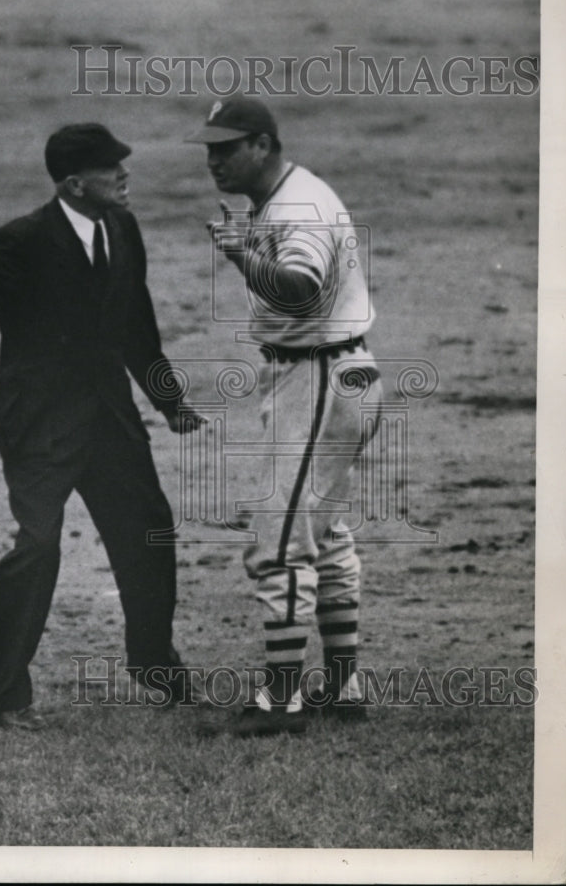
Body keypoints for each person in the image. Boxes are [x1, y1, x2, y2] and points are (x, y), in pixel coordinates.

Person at [0, 122, 205, 730]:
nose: (126, 175)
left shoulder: (123, 229)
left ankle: (154, 667)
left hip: (109, 420)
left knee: (149, 530)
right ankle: (1, 695)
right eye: (113, 168)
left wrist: (171, 403)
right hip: (41, 428)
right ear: (76, 184)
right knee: (39, 548)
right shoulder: (23, 239)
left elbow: (137, 324)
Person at [185, 95, 382, 736]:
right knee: (322, 534)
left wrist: (243, 256)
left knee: (278, 541)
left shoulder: (297, 208)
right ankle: (345, 684)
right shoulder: (283, 198)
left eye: (228, 147)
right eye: (210, 149)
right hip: (333, 374)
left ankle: (283, 699)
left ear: (263, 145)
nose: (214, 160)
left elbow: (299, 293)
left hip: (320, 378)